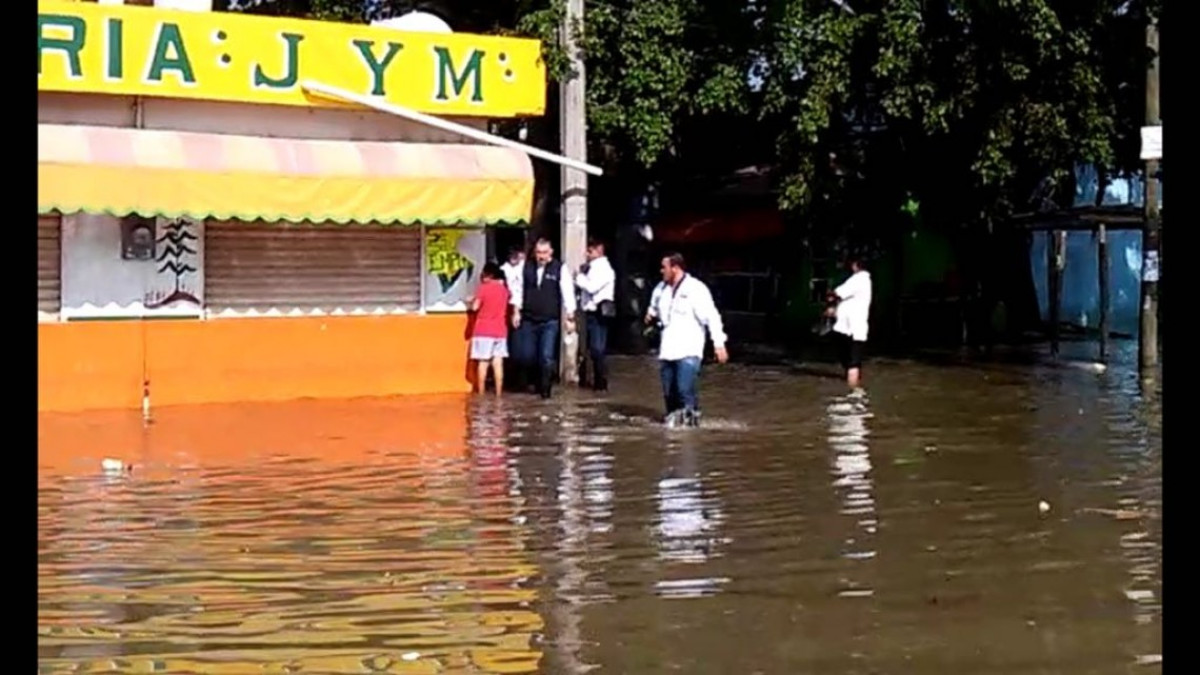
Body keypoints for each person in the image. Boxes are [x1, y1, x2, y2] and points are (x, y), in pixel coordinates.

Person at [645, 253, 728, 427]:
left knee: (684, 390)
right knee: (669, 395)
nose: (661, 271)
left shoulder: (695, 289)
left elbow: (711, 317)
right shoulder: (660, 289)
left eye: (664, 267)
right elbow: (653, 308)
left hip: (689, 350)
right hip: (667, 350)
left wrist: (719, 343)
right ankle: (672, 435)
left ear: (675, 268)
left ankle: (691, 429)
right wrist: (650, 315)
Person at [510, 237, 577, 399]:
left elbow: (567, 292)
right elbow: (518, 290)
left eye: (545, 253)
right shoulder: (525, 266)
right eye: (539, 253)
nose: (541, 256)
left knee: (546, 356)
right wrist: (516, 311)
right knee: (526, 355)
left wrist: (570, 316)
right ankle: (532, 383)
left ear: (551, 252)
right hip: (528, 319)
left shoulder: (559, 268)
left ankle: (545, 391)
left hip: (549, 320)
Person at [575, 238, 617, 392]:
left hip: (599, 312)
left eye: (590, 251)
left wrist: (579, 278)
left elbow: (592, 287)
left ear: (599, 250)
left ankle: (601, 383)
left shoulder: (604, 268)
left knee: (597, 348)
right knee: (592, 349)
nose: (587, 254)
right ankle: (595, 381)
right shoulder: (591, 267)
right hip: (590, 312)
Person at [826, 255, 872, 388]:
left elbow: (838, 293)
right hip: (848, 328)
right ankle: (852, 387)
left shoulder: (859, 279)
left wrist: (829, 298)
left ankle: (852, 390)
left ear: (855, 265)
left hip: (852, 329)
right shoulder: (863, 280)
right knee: (851, 360)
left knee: (852, 361)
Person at [469, 262, 511, 396]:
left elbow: (475, 307)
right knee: (498, 363)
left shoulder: (483, 288)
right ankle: (499, 394)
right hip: (500, 331)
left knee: (483, 362)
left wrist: (470, 301)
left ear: (488, 274)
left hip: (483, 330)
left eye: (483, 274)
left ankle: (481, 395)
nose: (481, 276)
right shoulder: (504, 290)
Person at [499, 246, 526, 390]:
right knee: (512, 346)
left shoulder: (526, 268)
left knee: (522, 347)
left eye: (518, 252)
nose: (516, 256)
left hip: (523, 308)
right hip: (507, 308)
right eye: (512, 253)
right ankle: (513, 380)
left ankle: (521, 380)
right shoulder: (504, 269)